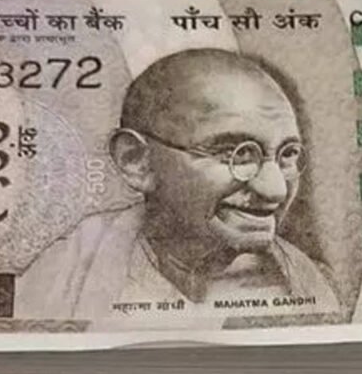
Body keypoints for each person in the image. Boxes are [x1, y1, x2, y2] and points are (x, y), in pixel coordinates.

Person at [17, 48, 341, 322]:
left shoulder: (315, 287)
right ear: (136, 161)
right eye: (235, 154)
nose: (275, 190)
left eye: (288, 154)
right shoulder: (61, 279)